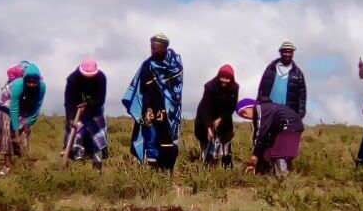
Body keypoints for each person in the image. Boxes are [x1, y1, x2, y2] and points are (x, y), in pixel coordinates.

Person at [122, 34, 184, 170]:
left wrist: (164, 111)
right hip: (150, 108)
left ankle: (167, 173)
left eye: (156, 48)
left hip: (171, 112)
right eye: (151, 48)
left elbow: (175, 91)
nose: (153, 51)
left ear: (164, 47)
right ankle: (153, 173)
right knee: (151, 139)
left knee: (168, 141)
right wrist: (149, 109)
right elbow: (145, 90)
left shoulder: (175, 64)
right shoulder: (147, 66)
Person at [238, 98, 304, 176]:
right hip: (290, 127)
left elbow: (261, 132)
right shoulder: (265, 110)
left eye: (243, 112)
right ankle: (267, 175)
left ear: (250, 106)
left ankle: (283, 179)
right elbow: (261, 136)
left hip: (288, 126)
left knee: (278, 153)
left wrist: (255, 155)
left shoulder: (260, 108)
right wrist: (257, 155)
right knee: (268, 151)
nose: (244, 116)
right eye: (241, 115)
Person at [63, 58, 109, 167]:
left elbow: (100, 100)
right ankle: (76, 152)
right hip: (76, 109)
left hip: (94, 109)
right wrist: (71, 118)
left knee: (95, 134)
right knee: (76, 128)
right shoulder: (73, 79)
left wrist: (89, 103)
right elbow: (69, 101)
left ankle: (97, 158)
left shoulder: (101, 78)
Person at [194, 64, 240, 167]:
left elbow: (232, 107)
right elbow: (205, 108)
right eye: (222, 77)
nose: (224, 80)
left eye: (227, 78)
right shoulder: (210, 87)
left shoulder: (234, 88)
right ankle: (207, 165)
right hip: (205, 117)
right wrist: (209, 127)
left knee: (225, 142)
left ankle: (226, 166)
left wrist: (221, 118)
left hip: (224, 118)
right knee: (208, 142)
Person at [1, 62, 45, 164]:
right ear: (24, 80)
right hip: (8, 102)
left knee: (25, 131)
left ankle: (23, 159)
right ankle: (7, 164)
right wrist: (16, 133)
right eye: (29, 82)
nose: (31, 84)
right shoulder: (17, 85)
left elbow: (37, 106)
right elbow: (14, 109)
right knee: (7, 130)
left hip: (25, 101)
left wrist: (29, 123)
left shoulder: (42, 87)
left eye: (34, 82)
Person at [256, 41, 307, 117]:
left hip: (288, 111)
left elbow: (302, 95)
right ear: (281, 53)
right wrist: (258, 104)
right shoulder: (271, 68)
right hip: (269, 109)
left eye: (290, 52)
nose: (287, 54)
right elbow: (262, 88)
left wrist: (301, 113)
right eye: (285, 52)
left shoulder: (297, 73)